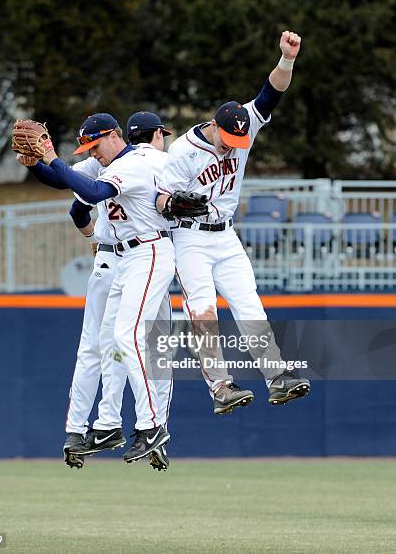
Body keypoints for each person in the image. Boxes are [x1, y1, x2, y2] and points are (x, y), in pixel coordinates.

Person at [156, 30, 311, 408]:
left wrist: (287, 59)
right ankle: (221, 387)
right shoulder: (182, 152)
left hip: (226, 236)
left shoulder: (243, 124)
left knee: (249, 304)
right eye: (227, 139)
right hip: (190, 239)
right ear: (214, 125)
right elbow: (158, 200)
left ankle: (277, 377)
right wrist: (174, 204)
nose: (233, 147)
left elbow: (271, 93)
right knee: (203, 311)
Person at [18, 112, 174, 465]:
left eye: (96, 145)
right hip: (124, 257)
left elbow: (92, 192)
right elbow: (66, 183)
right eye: (88, 148)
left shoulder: (137, 161)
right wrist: (34, 163)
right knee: (111, 341)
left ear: (115, 135)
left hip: (148, 249)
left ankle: (153, 426)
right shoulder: (110, 161)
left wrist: (51, 157)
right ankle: (110, 424)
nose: (94, 154)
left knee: (131, 338)